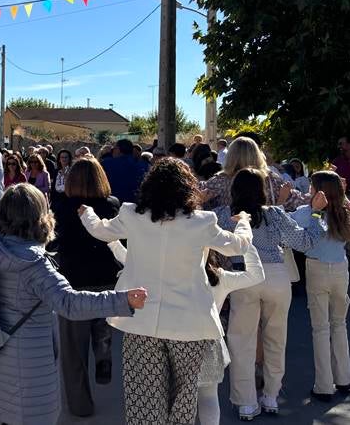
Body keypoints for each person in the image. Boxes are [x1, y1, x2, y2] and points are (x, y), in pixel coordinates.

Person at [78, 158, 253, 424]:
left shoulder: (132, 215)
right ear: (188, 188)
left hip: (140, 321)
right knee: (183, 397)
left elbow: (99, 230)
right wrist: (244, 222)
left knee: (144, 398)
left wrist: (86, 212)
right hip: (189, 324)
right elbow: (238, 246)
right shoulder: (202, 222)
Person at [0, 183, 147, 425]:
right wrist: (122, 300)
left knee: (6, 412)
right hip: (30, 360)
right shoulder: (34, 264)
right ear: (38, 216)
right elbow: (69, 303)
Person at [110, 231, 265, 425]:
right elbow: (256, 275)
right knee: (208, 396)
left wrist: (112, 240)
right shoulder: (221, 277)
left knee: (173, 398)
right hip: (208, 342)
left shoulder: (168, 274)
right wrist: (245, 243)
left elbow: (128, 260)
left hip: (174, 340)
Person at [213, 168, 325, 420]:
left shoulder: (223, 215)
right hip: (276, 275)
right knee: (276, 337)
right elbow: (305, 242)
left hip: (244, 276)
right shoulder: (274, 214)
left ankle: (246, 402)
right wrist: (316, 214)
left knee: (242, 340)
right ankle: (271, 396)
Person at [48, 157, 123, 417]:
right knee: (102, 326)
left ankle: (81, 404)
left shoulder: (61, 206)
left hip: (73, 280)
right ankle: (103, 357)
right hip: (106, 274)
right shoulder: (111, 205)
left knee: (73, 349)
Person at [301, 171, 350, 402]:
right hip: (340, 269)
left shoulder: (310, 213)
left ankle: (324, 385)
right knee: (339, 325)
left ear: (318, 190)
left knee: (321, 329)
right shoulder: (344, 212)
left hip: (317, 268)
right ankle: (344, 378)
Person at [202, 137, 307, 211]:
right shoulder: (272, 179)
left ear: (231, 156)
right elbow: (298, 202)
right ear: (257, 154)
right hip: (266, 237)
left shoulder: (219, 181)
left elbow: (197, 200)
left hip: (230, 238)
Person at [100, 139, 149, 204]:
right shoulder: (144, 166)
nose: (112, 151)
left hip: (111, 204)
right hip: (134, 206)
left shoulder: (106, 164)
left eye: (114, 149)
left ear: (118, 149)